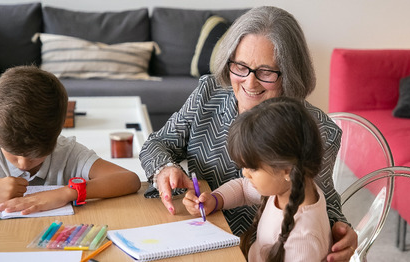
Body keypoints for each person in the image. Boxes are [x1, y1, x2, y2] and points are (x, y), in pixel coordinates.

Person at [139, 6, 357, 261]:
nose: (250, 83)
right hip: (197, 233)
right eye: (240, 67)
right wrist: (166, 168)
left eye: (266, 72)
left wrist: (341, 232)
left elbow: (322, 202)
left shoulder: (316, 130)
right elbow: (157, 143)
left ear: (290, 72)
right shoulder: (208, 94)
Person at [0, 65, 141, 214]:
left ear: (57, 134)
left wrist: (66, 193)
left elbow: (129, 179)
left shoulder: (67, 153)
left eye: (35, 155)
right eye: (13, 153)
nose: (23, 164)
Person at [184, 97, 332, 261]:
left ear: (287, 170)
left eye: (252, 168)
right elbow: (242, 188)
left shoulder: (303, 239)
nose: (245, 174)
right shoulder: (291, 188)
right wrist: (215, 200)